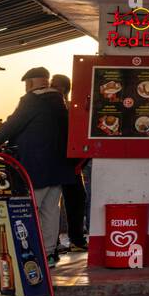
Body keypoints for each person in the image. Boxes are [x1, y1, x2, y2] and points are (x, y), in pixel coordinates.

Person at [0, 68, 69, 268]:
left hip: (35, 166)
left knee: (30, 209)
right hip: (58, 167)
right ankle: (48, 253)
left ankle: (28, 252)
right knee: (50, 211)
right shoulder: (59, 101)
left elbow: (13, 124)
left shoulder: (33, 100)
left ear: (30, 83)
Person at [50, 74, 88, 253]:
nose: (56, 89)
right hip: (59, 164)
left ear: (65, 89)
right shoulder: (60, 109)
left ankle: (76, 240)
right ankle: (57, 242)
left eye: (58, 86)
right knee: (53, 205)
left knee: (76, 201)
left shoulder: (71, 108)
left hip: (71, 164)